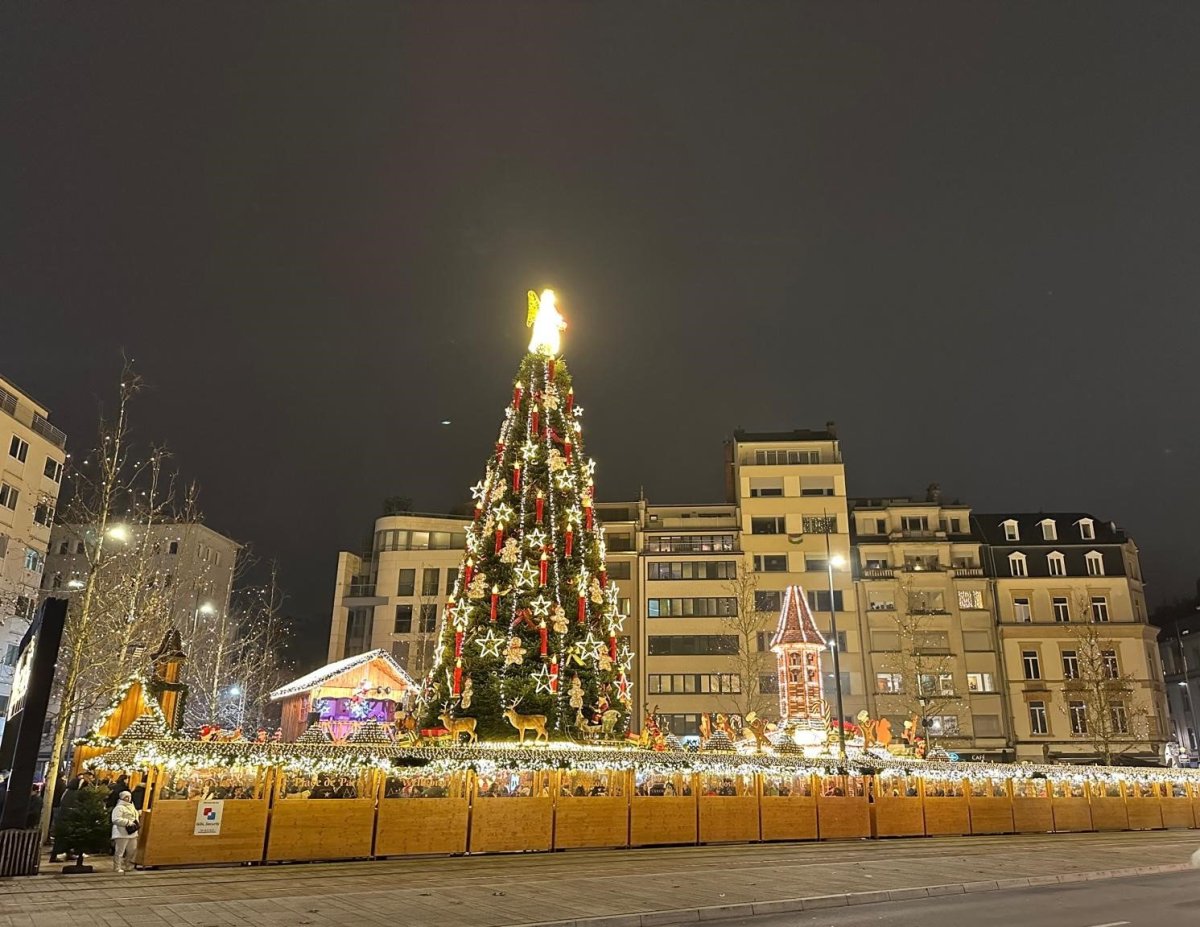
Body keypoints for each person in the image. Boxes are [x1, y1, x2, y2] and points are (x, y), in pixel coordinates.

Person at [110, 790, 139, 873]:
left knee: (132, 850)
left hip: (132, 832)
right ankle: (117, 867)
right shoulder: (119, 807)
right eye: (126, 797)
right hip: (121, 832)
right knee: (120, 851)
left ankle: (128, 864)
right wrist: (128, 822)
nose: (128, 798)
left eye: (129, 796)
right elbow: (115, 819)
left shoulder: (132, 806)